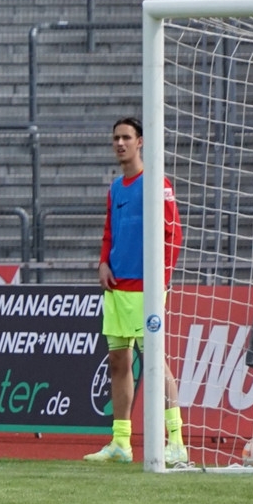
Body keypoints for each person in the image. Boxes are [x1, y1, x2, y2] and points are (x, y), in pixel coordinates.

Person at [84, 116, 189, 466]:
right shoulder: (116, 188)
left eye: (126, 137)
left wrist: (163, 279)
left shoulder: (157, 183)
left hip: (146, 291)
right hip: (116, 288)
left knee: (155, 364)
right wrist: (103, 262)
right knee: (118, 362)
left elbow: (174, 234)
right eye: (115, 138)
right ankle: (121, 442)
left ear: (140, 142)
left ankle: (176, 440)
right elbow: (108, 233)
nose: (120, 143)